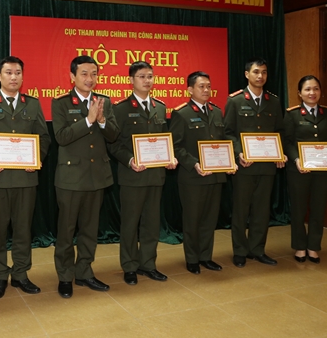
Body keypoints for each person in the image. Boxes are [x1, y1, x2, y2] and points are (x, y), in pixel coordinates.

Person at [0, 56, 51, 299]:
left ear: (23, 77)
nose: (13, 77)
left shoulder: (32, 104)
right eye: (8, 72)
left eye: (18, 73)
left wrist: (36, 158)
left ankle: (20, 274)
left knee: (23, 229)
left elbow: (43, 137)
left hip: (26, 179)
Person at [52, 55, 119, 298]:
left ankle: (84, 272)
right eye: (84, 73)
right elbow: (62, 137)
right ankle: (65, 276)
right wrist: (88, 120)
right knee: (66, 231)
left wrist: (101, 121)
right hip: (71, 178)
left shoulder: (105, 102)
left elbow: (114, 135)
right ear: (72, 76)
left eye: (94, 74)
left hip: (97, 176)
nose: (90, 78)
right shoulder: (61, 103)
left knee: (90, 230)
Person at [108, 61, 177, 285]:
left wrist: (170, 157)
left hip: (156, 176)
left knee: (151, 223)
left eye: (150, 76)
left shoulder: (160, 107)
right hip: (132, 176)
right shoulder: (120, 109)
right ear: (131, 80)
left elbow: (164, 140)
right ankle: (129, 266)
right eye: (142, 76)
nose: (147, 81)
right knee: (130, 223)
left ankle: (148, 264)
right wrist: (130, 160)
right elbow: (114, 144)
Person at [170, 71, 235, 274]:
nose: (206, 90)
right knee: (193, 219)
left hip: (215, 176)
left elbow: (222, 142)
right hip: (193, 176)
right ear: (190, 89)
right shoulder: (181, 113)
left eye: (208, 86)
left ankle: (206, 256)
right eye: (201, 86)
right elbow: (175, 146)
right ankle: (192, 259)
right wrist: (194, 163)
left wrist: (229, 160)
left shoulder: (216, 112)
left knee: (209, 219)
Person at [224, 57, 286, 268]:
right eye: (256, 72)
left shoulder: (274, 101)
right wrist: (239, 153)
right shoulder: (235, 101)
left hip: (267, 166)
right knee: (241, 211)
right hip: (244, 166)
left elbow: (279, 131)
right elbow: (228, 132)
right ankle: (240, 251)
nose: (260, 76)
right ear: (247, 74)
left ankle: (257, 249)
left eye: (264, 72)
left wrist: (279, 152)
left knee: (262, 210)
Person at [283, 75, 327, 263]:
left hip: (323, 171)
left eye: (316, 89)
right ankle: (300, 246)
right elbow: (287, 142)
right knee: (299, 209)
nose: (312, 93)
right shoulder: (292, 114)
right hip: (299, 170)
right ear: (299, 93)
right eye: (308, 89)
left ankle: (314, 246)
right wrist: (296, 159)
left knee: (318, 208)